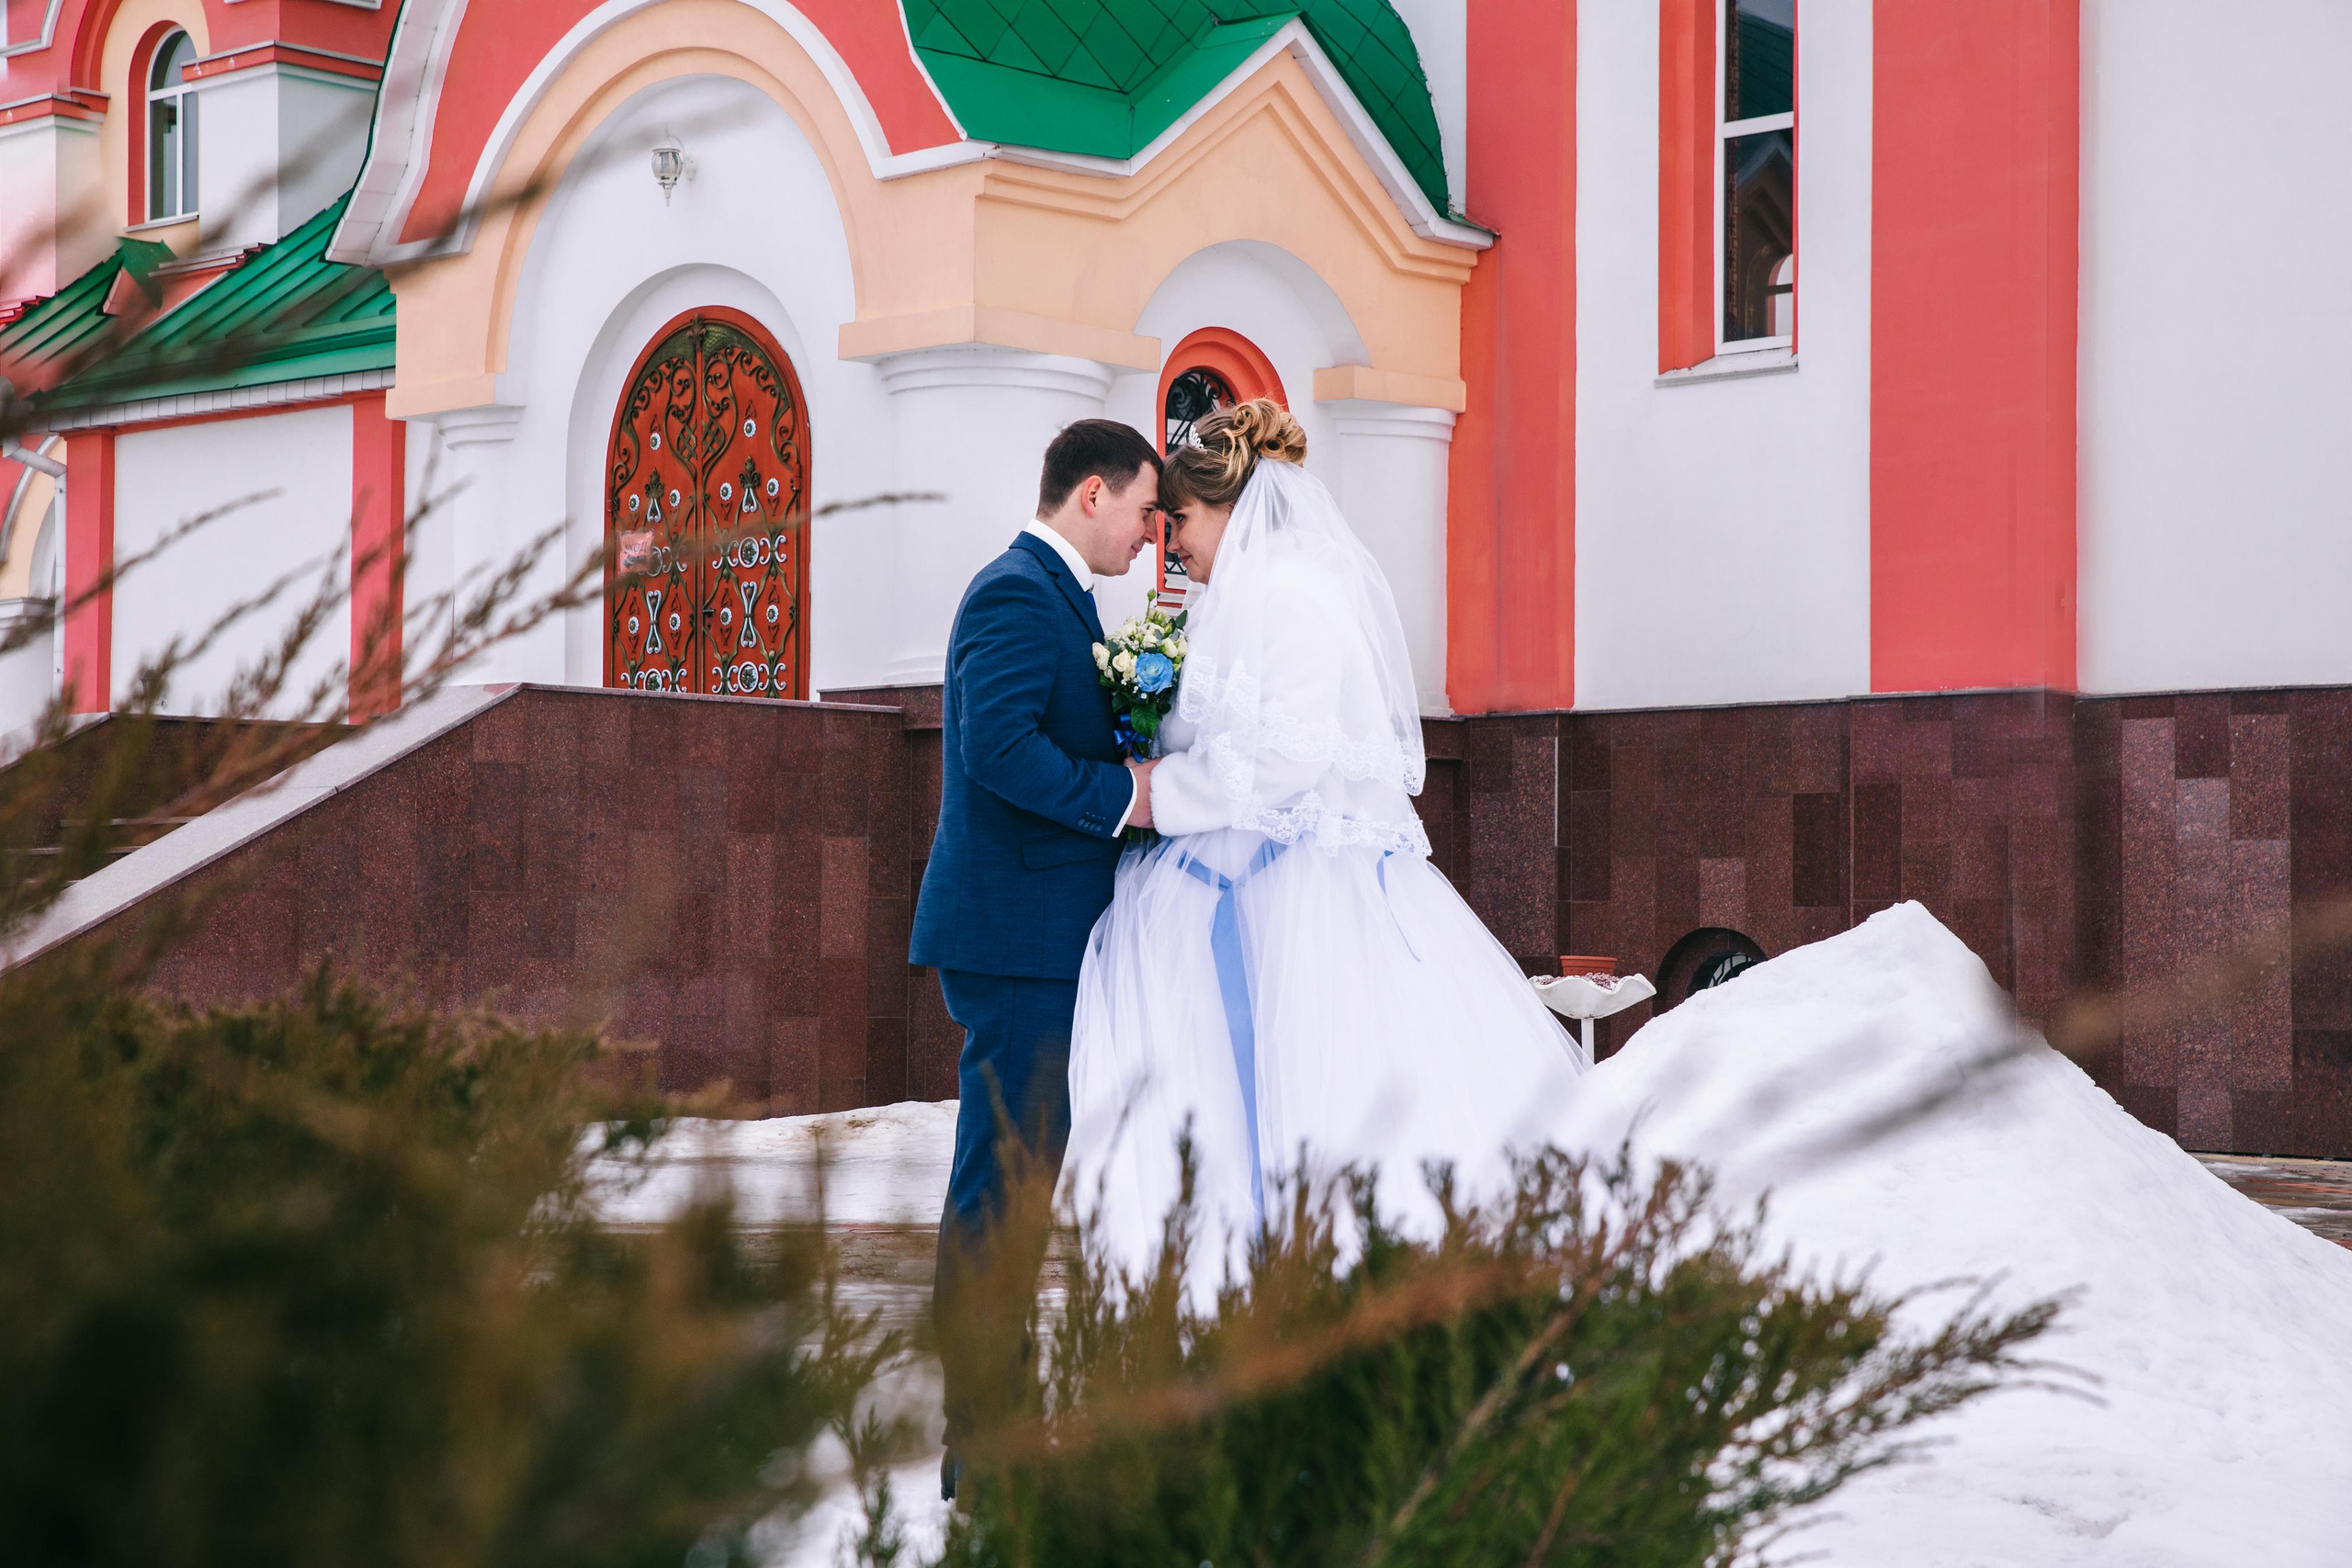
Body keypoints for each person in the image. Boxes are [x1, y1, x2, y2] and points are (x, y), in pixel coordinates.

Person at [1062, 400, 1587, 1288]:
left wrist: (1158, 796)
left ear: (1230, 506)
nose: (1170, 544)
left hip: (1297, 894)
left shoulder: (1293, 595)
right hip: (1250, 882)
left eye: (1180, 521)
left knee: (1321, 1091)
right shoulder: (1243, 595)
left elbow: (1285, 756)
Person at [910, 418, 1162, 1502]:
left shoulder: (1059, 597)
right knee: (999, 1190)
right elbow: (998, 746)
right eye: (1148, 510)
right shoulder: (1016, 591)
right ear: (1094, 493)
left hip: (1035, 937)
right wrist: (1123, 797)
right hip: (1015, 943)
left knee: (1016, 1183)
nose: (1153, 535)